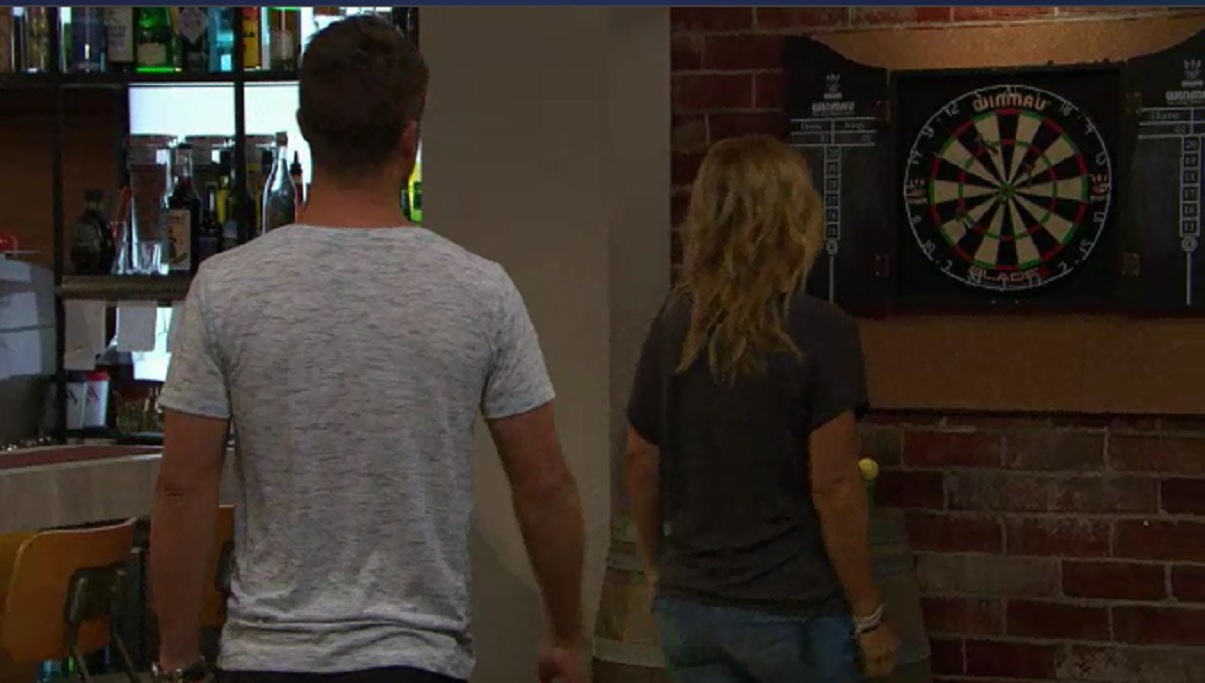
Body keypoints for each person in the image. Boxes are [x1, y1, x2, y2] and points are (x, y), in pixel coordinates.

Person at [148, 16, 589, 683]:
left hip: (269, 657)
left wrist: (177, 658)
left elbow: (183, 486)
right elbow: (544, 484)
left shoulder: (225, 288)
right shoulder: (478, 290)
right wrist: (566, 634)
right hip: (418, 658)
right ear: (411, 138)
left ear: (304, 128)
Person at [624, 135, 899, 682]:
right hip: (793, 611)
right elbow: (835, 487)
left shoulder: (673, 326)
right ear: (793, 219)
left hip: (691, 608)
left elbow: (640, 460)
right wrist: (869, 615)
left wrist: (657, 568)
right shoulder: (821, 330)